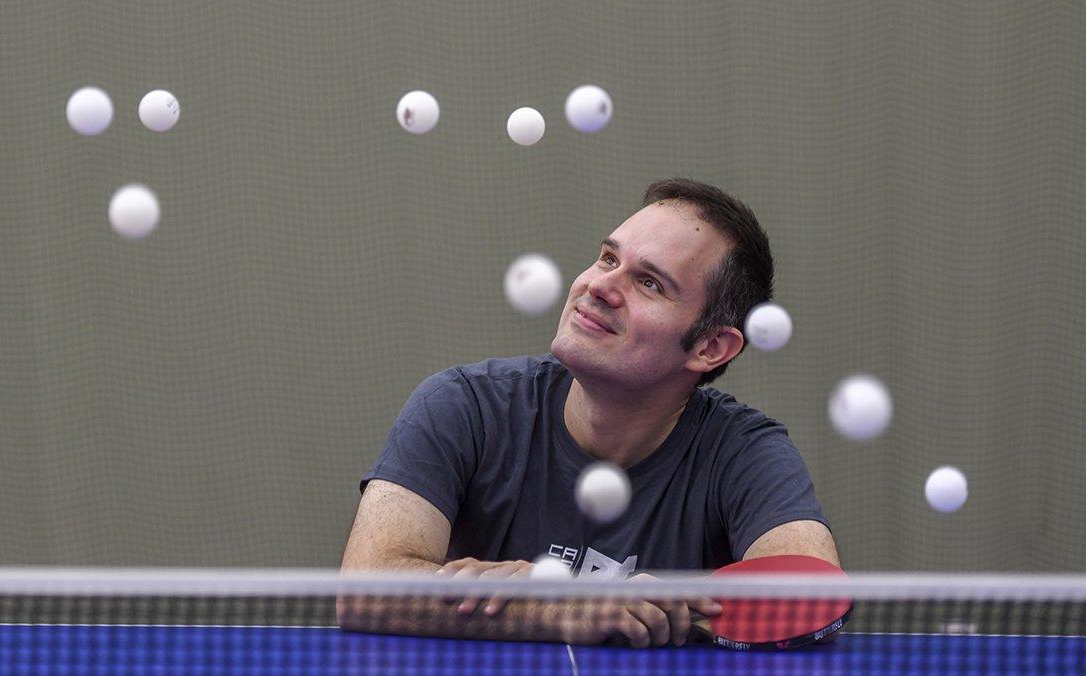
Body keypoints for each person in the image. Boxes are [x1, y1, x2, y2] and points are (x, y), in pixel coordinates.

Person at [338, 178, 838, 648]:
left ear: (709, 347)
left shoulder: (744, 451)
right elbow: (365, 586)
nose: (599, 286)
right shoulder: (462, 405)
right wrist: (555, 610)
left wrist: (635, 602)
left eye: (649, 283)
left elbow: (807, 591)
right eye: (606, 258)